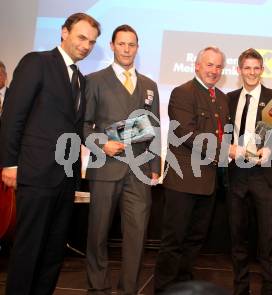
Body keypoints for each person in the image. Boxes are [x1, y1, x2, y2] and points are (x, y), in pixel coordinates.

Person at [0, 13, 100, 295]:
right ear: (64, 32)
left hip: (66, 179)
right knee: (28, 249)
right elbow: (13, 116)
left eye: (91, 42)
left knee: (53, 252)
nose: (86, 45)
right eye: (81, 37)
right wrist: (9, 164)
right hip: (35, 173)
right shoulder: (37, 62)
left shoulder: (81, 79)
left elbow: (75, 127)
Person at [83, 24, 161, 295]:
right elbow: (83, 124)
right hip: (105, 167)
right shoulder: (93, 80)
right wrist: (103, 143)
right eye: (122, 44)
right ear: (113, 46)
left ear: (137, 48)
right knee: (98, 233)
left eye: (132, 45)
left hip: (140, 171)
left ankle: (129, 289)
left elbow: (155, 128)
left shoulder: (150, 86)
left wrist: (155, 166)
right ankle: (98, 288)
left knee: (137, 236)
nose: (127, 49)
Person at [154, 46, 230, 293]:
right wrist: (226, 151)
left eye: (218, 66)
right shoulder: (182, 93)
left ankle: (183, 289)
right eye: (209, 65)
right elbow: (186, 133)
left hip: (207, 182)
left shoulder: (221, 97)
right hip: (183, 181)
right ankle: (164, 289)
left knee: (194, 241)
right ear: (197, 65)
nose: (214, 71)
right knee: (173, 242)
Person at [227, 48, 272, 295]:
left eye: (256, 68)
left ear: (262, 70)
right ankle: (240, 289)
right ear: (239, 70)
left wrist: (271, 149)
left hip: (265, 177)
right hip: (236, 176)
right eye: (246, 68)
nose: (251, 73)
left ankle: (270, 290)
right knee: (237, 239)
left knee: (268, 240)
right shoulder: (228, 98)